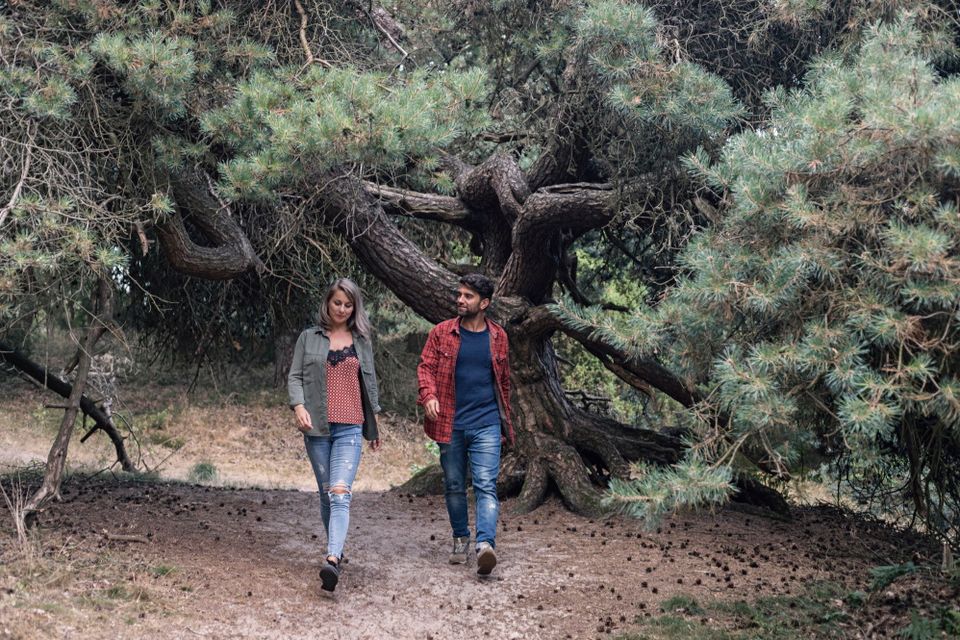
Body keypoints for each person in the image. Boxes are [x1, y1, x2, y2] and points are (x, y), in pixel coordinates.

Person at [288, 277, 381, 593]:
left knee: (340, 492)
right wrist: (298, 406)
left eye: (348, 304)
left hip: (350, 428)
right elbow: (295, 377)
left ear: (355, 307)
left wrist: (374, 428)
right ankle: (337, 549)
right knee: (327, 492)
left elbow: (369, 386)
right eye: (337, 302)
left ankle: (331, 558)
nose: (342, 309)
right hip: (317, 428)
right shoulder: (308, 338)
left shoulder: (362, 340)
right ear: (327, 303)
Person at [417, 273, 514, 576]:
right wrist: (429, 396)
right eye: (459, 295)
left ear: (484, 303)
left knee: (486, 485)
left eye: (468, 296)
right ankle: (461, 537)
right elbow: (425, 368)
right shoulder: (442, 333)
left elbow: (504, 382)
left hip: (486, 423)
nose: (460, 300)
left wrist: (504, 422)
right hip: (450, 423)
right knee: (455, 485)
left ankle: (485, 545)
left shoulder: (498, 337)